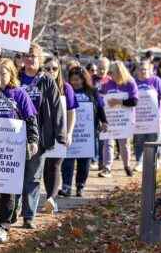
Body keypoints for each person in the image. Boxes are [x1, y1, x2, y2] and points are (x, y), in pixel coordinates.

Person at [0, 58, 39, 243]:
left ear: (11, 74)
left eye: (3, 72)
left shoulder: (19, 94)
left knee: (8, 189)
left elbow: (30, 119)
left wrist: (33, 140)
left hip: (11, 150)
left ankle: (2, 226)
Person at [12, 44, 65, 229]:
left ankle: (28, 216)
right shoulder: (15, 77)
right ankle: (13, 212)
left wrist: (61, 134)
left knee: (33, 177)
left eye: (33, 56)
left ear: (40, 58)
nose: (29, 59)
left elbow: (57, 107)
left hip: (40, 136)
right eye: (26, 55)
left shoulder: (47, 80)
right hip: (14, 134)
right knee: (15, 175)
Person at [60, 67, 107, 197]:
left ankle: (80, 186)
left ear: (83, 79)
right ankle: (66, 187)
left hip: (88, 134)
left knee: (84, 162)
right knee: (67, 162)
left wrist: (104, 121)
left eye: (78, 79)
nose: (75, 82)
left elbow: (101, 108)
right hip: (70, 132)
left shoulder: (92, 91)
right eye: (72, 79)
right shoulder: (65, 91)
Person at [42, 57, 78, 213]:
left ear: (59, 71)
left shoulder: (66, 88)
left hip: (60, 133)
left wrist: (69, 133)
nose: (51, 71)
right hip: (44, 133)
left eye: (54, 69)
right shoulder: (39, 85)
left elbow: (72, 113)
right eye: (47, 68)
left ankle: (52, 198)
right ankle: (50, 196)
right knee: (46, 166)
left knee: (56, 165)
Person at [98, 61, 138, 178]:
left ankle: (127, 166)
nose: (109, 74)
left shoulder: (130, 83)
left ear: (119, 72)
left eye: (112, 72)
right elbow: (99, 95)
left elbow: (134, 101)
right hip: (110, 117)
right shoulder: (106, 81)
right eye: (109, 72)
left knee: (124, 143)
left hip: (124, 119)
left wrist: (119, 101)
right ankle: (107, 168)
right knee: (107, 142)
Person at [132, 60, 161, 172]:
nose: (143, 71)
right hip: (138, 118)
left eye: (145, 69)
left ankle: (155, 161)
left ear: (150, 70)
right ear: (137, 71)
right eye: (140, 69)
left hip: (153, 117)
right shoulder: (134, 82)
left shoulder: (156, 81)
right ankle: (139, 162)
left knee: (153, 139)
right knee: (138, 140)